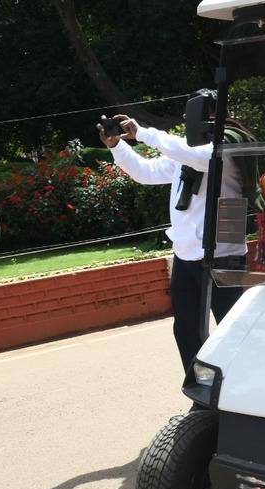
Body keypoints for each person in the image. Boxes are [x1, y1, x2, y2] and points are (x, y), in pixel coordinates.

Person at [99, 113, 249, 377]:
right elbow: (146, 172)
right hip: (186, 255)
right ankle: (202, 393)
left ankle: (242, 389)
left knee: (232, 329)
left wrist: (143, 133)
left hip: (224, 255)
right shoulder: (185, 157)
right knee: (187, 329)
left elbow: (199, 157)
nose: (189, 123)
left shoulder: (228, 147)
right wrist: (117, 146)